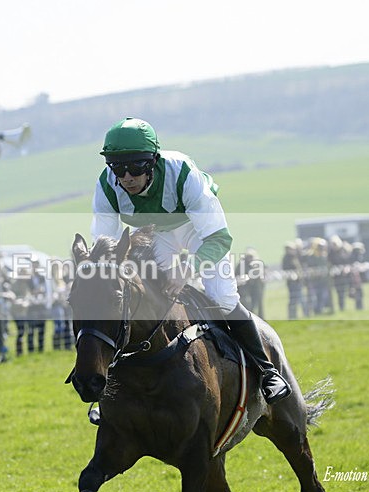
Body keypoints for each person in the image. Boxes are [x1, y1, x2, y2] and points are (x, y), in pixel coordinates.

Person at [91, 117, 290, 404]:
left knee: (221, 296)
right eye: (118, 168)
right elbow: (105, 249)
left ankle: (267, 371)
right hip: (153, 233)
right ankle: (112, 390)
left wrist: (187, 270)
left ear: (153, 161)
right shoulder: (106, 186)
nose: (126, 177)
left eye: (135, 166)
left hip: (199, 231)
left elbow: (219, 239)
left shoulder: (182, 172)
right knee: (135, 299)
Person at [236, 247, 265, 319]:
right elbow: (238, 274)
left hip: (257, 286)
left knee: (259, 303)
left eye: (251, 257)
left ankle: (261, 318)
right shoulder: (241, 265)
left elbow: (262, 274)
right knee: (248, 304)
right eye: (248, 257)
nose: (250, 258)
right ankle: (251, 317)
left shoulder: (257, 264)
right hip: (245, 288)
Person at [282, 241, 305, 320]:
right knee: (293, 299)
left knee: (300, 298)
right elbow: (286, 270)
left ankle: (303, 314)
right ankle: (292, 316)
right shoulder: (286, 258)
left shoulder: (296, 257)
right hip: (292, 282)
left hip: (298, 281)